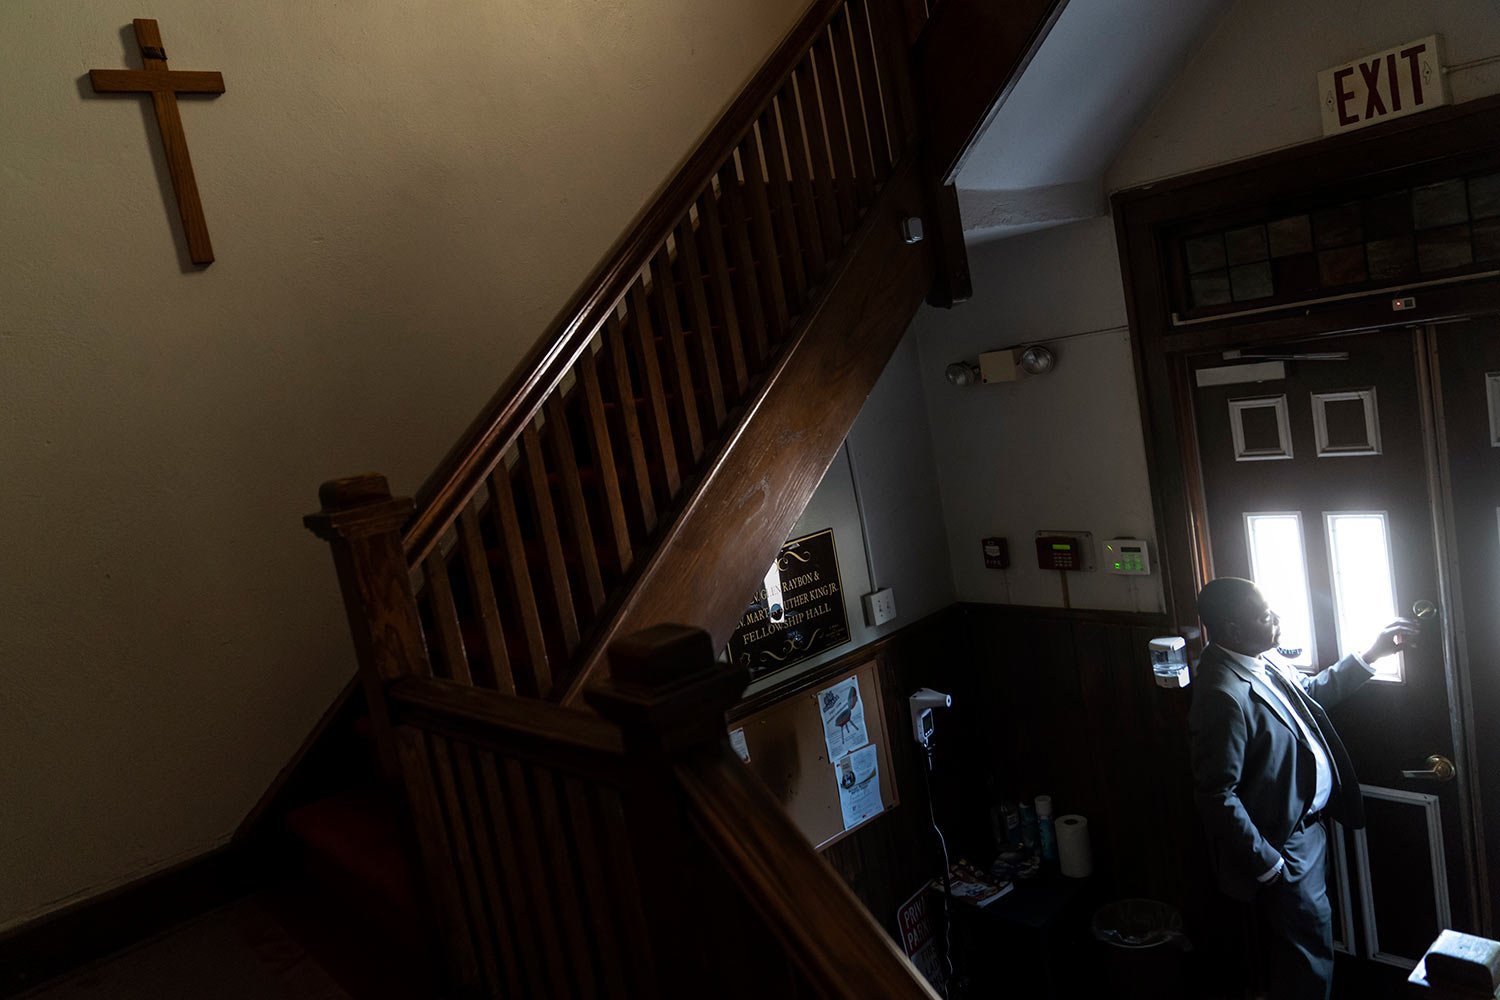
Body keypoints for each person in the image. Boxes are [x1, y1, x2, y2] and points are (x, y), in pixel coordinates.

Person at [1188, 577, 1415, 1000]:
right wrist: (1267, 862)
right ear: (1234, 629)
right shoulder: (1223, 693)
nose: (1276, 618)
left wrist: (1370, 656)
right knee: (1307, 961)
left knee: (1311, 947)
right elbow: (1215, 794)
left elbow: (1307, 695)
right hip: (1284, 845)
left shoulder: (1261, 659)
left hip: (1309, 832)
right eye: (1264, 614)